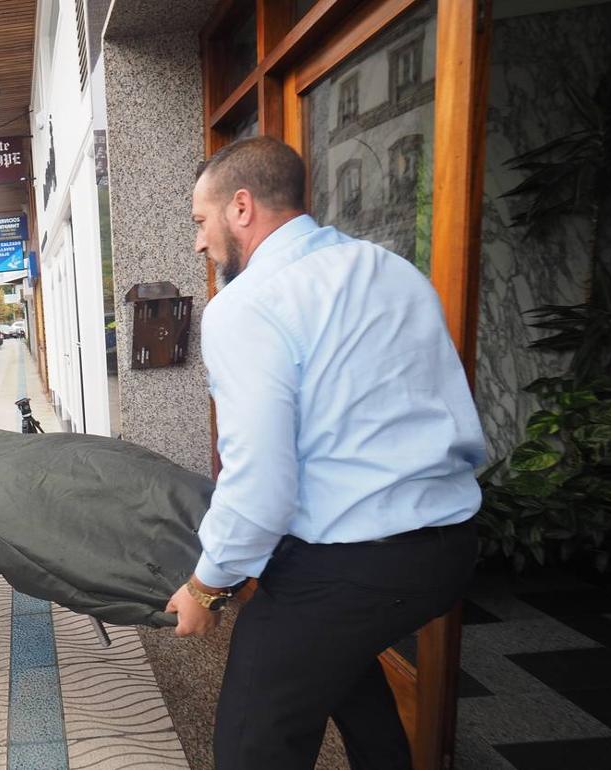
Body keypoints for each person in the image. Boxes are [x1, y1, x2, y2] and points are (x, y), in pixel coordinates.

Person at [165, 137, 485, 770]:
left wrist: (206, 588)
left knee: (253, 741)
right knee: (344, 674)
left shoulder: (247, 305)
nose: (199, 242)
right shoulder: (391, 270)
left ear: (242, 207)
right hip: (449, 544)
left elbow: (260, 482)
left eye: (200, 222)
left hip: (354, 563)